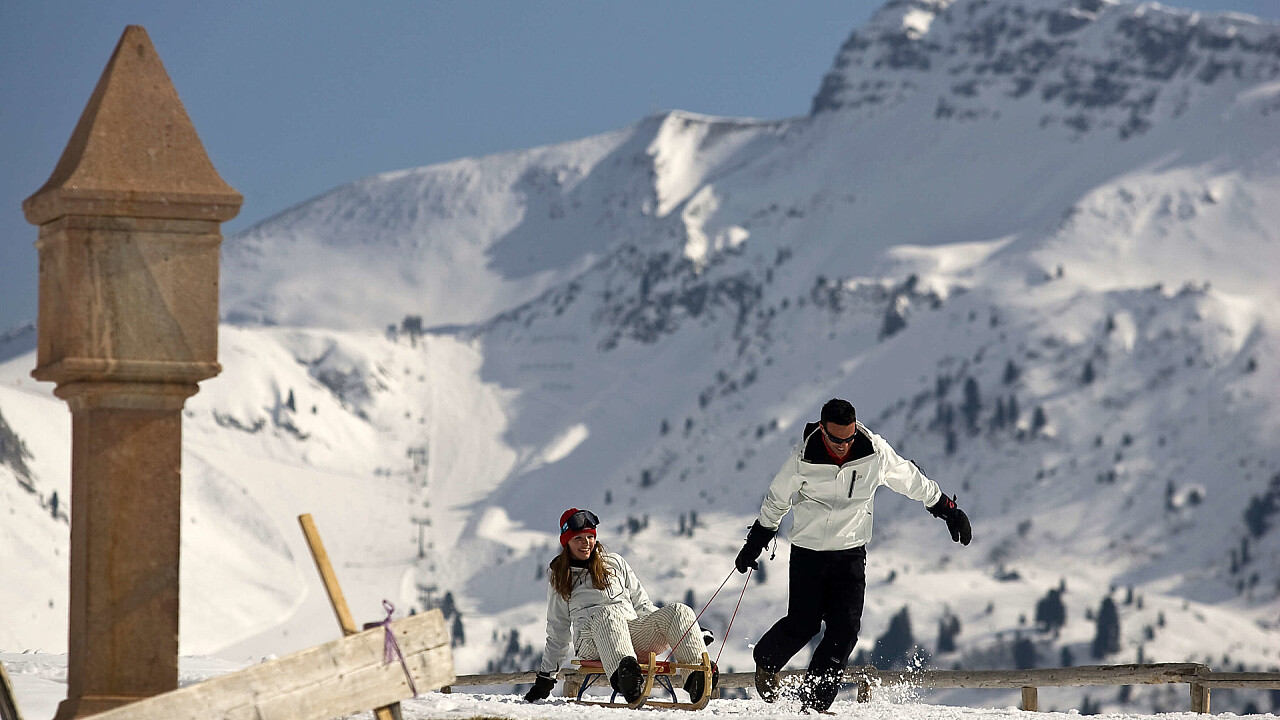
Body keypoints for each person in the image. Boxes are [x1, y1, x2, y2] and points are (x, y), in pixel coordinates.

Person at [735, 398, 971, 712]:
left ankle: (814, 705)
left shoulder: (873, 451)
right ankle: (766, 661)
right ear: (822, 430)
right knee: (804, 624)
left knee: (844, 632)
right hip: (809, 554)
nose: (844, 446)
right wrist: (757, 540)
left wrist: (947, 509)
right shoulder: (802, 458)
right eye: (836, 439)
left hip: (849, 554)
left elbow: (909, 478)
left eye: (849, 438)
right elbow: (777, 500)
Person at [524, 508, 719, 705]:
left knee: (680, 610)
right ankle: (626, 679)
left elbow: (642, 605)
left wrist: (687, 628)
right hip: (591, 641)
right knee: (608, 614)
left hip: (630, 632)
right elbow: (558, 631)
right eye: (578, 539)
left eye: (590, 537)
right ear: (567, 543)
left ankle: (697, 678)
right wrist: (546, 678)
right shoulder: (561, 577)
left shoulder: (615, 563)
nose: (586, 544)